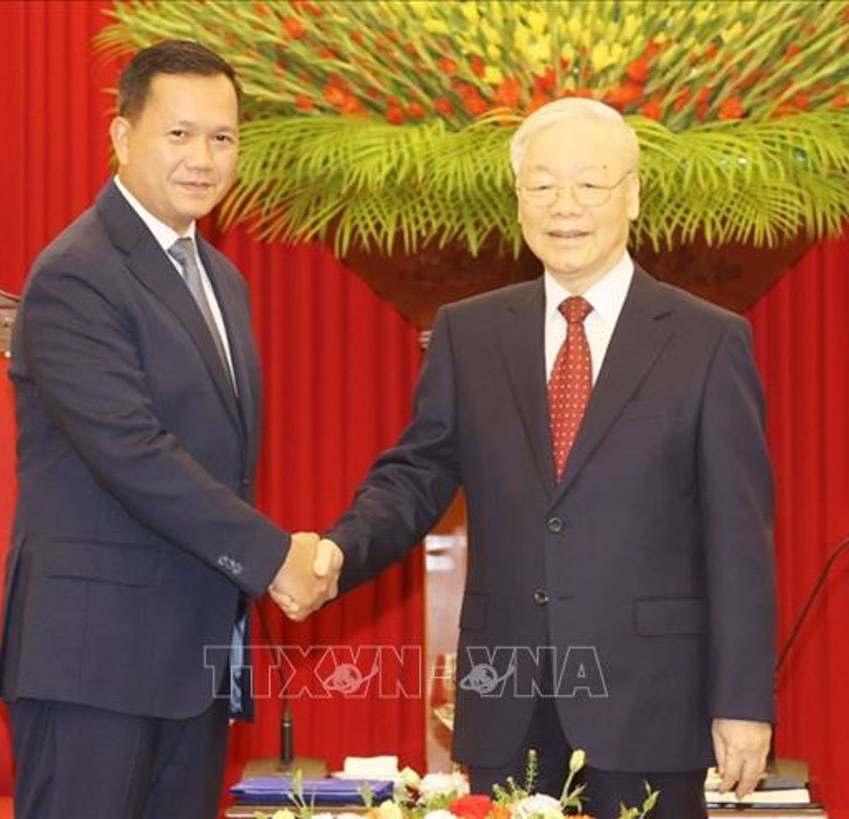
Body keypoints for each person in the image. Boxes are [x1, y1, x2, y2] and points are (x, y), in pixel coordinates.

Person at [286, 98, 775, 818]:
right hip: (504, 704)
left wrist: (742, 703)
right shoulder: (470, 333)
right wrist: (337, 549)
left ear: (632, 195)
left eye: (589, 184)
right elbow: (416, 475)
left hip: (650, 709)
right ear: (518, 200)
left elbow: (740, 537)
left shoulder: (707, 341)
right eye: (542, 186)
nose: (564, 206)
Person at [0, 40, 340, 819]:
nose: (203, 158)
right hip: (95, 661)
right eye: (178, 134)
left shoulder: (223, 278)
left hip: (195, 659)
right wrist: (274, 555)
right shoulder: (76, 272)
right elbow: (134, 453)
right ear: (122, 136)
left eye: (222, 138)